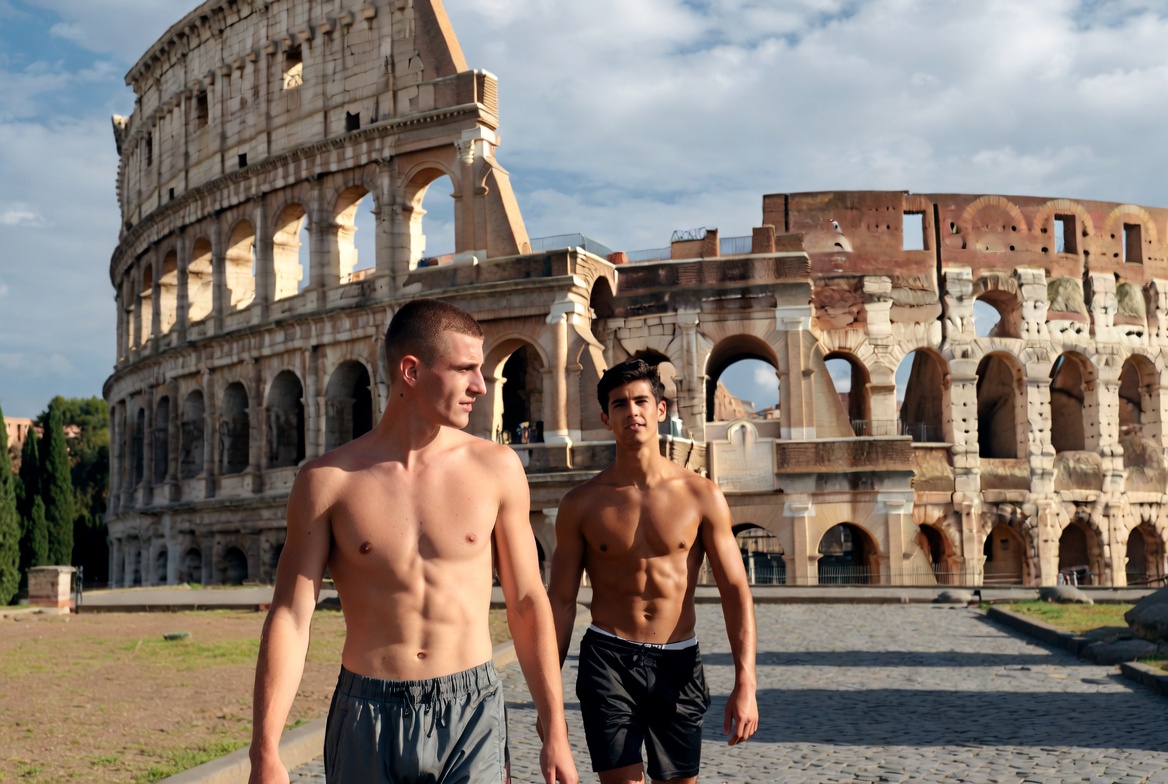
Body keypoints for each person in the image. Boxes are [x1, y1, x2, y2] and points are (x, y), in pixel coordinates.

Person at [248, 298, 578, 784]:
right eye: (465, 369)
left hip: (472, 710)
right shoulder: (327, 481)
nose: (480, 386)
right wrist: (265, 750)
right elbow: (292, 616)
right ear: (410, 370)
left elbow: (528, 601)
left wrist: (556, 729)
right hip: (367, 711)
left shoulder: (497, 469)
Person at [547, 358, 758, 784]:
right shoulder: (581, 504)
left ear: (661, 410)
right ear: (607, 417)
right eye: (620, 404)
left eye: (642, 400)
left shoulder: (701, 495)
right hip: (608, 658)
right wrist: (549, 704)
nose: (633, 412)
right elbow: (562, 602)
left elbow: (735, 589)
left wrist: (746, 682)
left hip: (677, 659)